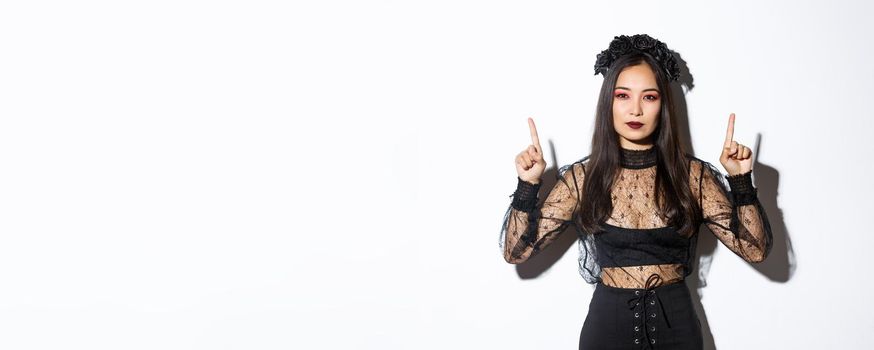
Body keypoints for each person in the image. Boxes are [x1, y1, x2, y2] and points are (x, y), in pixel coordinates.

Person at [498, 34, 773, 350]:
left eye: (650, 97)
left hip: (678, 332)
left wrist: (741, 182)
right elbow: (515, 252)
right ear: (609, 103)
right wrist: (528, 185)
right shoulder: (583, 178)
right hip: (606, 332)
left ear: (663, 106)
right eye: (623, 95)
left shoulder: (692, 176)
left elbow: (755, 250)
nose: (636, 110)